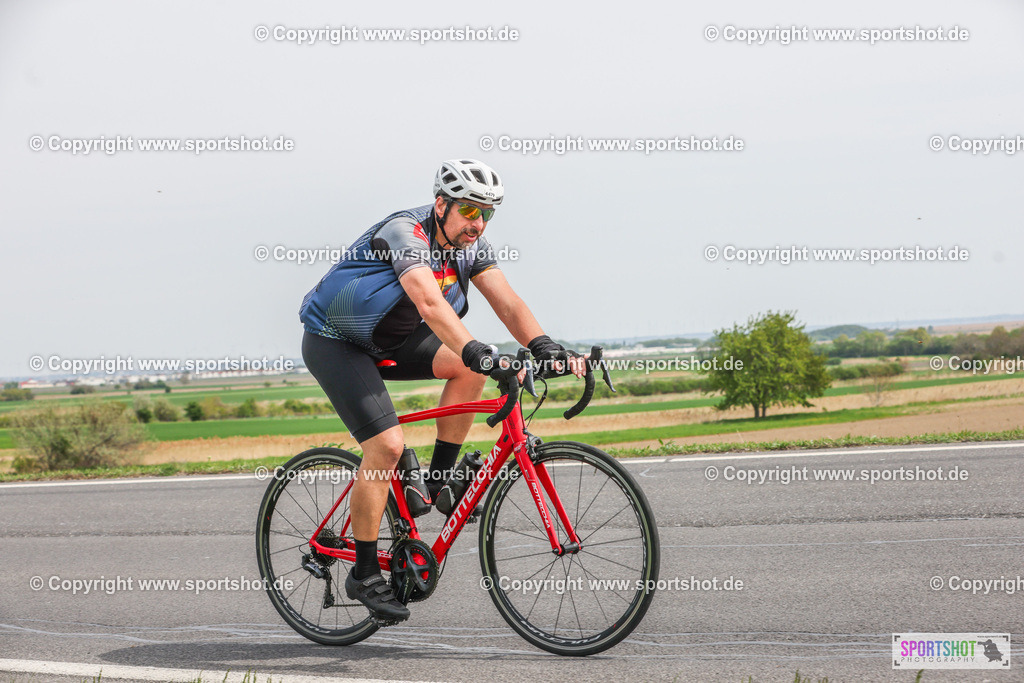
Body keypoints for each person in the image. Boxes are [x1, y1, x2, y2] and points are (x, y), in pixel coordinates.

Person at [298, 159, 586, 622]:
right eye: (470, 211)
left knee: (475, 370)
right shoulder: (405, 233)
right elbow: (429, 301)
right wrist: (474, 348)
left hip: (392, 338)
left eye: (487, 214)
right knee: (387, 447)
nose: (478, 222)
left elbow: (507, 301)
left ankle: (435, 482)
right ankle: (365, 572)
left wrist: (545, 346)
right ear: (441, 204)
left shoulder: (472, 246)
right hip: (338, 341)